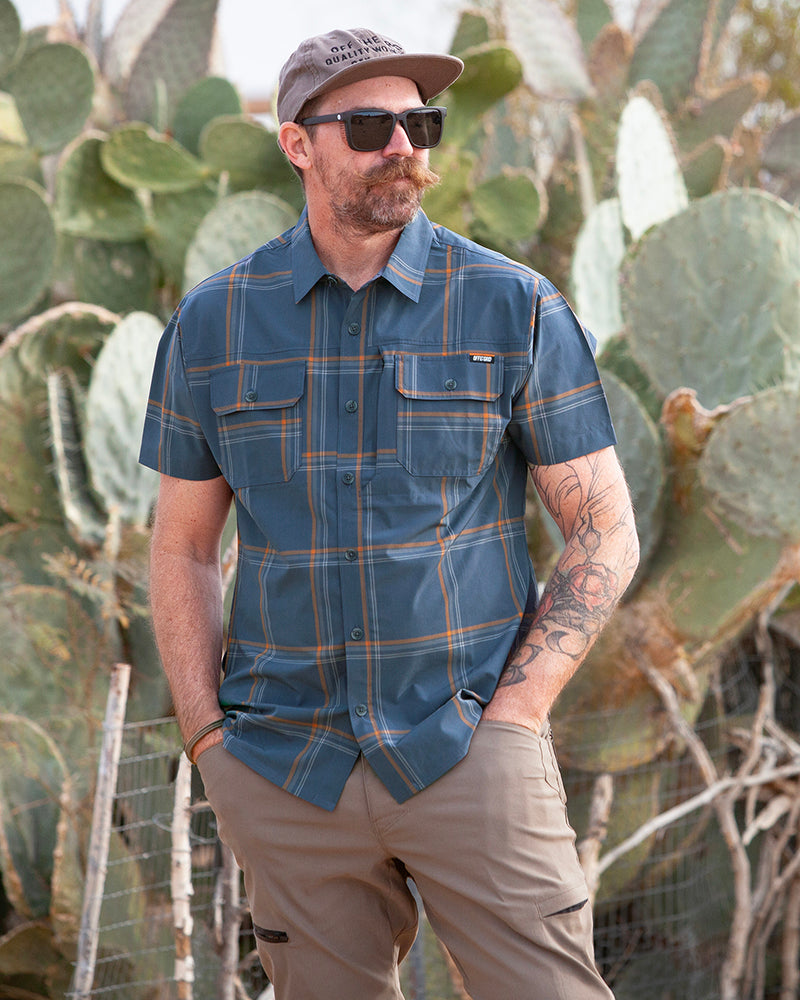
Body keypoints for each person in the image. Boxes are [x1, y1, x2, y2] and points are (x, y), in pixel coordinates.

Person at [140, 27, 640, 1000]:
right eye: (369, 126)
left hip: (467, 749)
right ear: (297, 144)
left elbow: (604, 525)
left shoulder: (513, 306)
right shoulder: (213, 323)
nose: (403, 145)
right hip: (287, 768)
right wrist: (209, 743)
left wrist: (516, 717)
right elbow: (184, 547)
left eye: (421, 123)